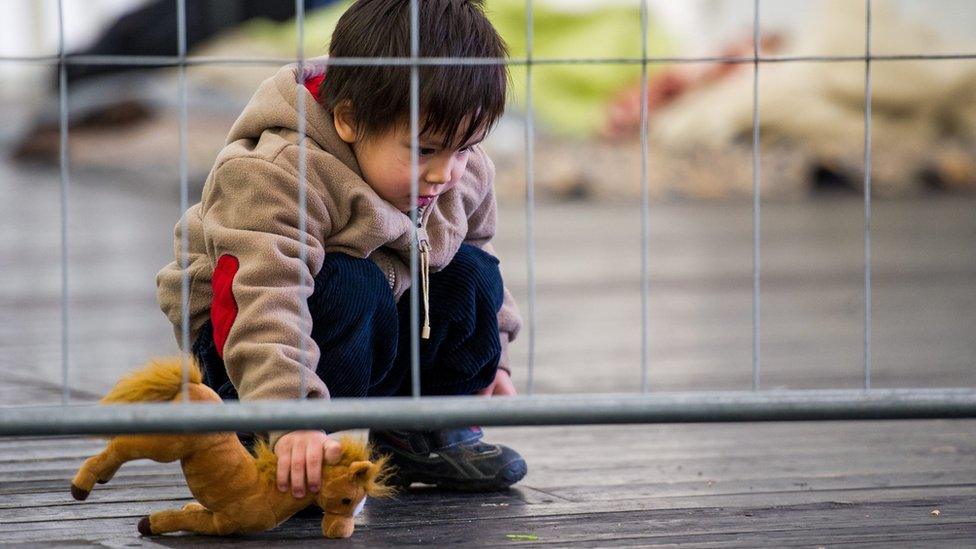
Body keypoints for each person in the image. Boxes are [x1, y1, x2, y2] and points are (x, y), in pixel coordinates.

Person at [155, 0, 525, 497]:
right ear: (349, 120)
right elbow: (265, 293)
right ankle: (269, 443)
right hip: (249, 344)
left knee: (472, 273)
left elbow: (480, 248)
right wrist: (290, 414)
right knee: (355, 283)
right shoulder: (279, 171)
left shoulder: (460, 171)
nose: (446, 173)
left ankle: (418, 431)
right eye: (424, 150)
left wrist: (492, 354)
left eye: (465, 146)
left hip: (373, 327)